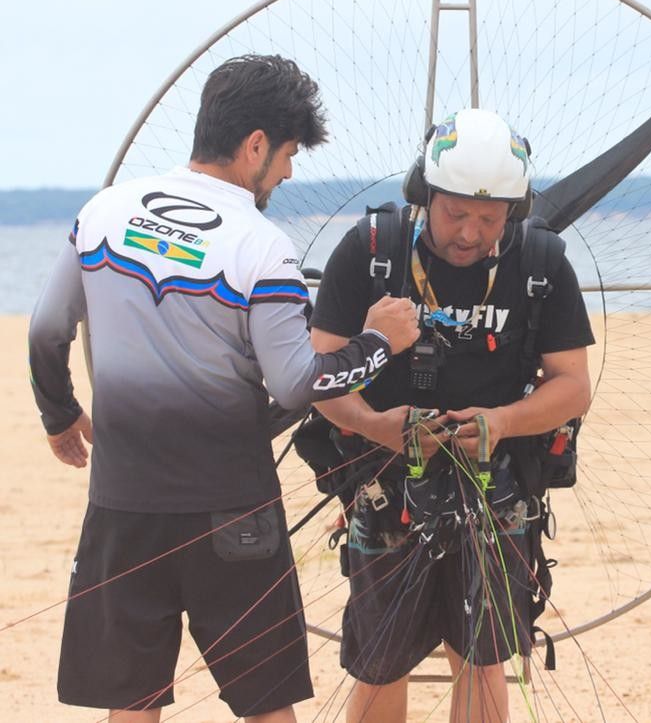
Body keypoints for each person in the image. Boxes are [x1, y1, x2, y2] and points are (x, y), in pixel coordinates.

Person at [27, 54, 419, 722]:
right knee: (267, 703)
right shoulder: (260, 247)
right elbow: (297, 382)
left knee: (133, 698)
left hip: (124, 506)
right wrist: (379, 340)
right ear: (255, 145)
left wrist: (61, 414)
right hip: (233, 513)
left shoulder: (105, 212)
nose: (290, 171)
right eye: (290, 153)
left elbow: (44, 329)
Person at [310, 108, 594, 723]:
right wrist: (377, 425)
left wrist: (502, 422)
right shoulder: (372, 252)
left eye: (490, 219)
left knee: (483, 657)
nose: (470, 233)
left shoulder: (541, 264)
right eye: (455, 213)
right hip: (385, 486)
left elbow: (573, 386)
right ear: (424, 193)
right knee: (381, 659)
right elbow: (321, 376)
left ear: (514, 213)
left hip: (497, 487)